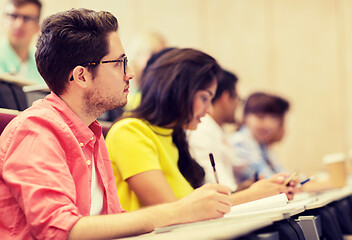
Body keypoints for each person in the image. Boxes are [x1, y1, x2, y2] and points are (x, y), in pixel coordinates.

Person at [0, 9, 233, 240]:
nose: (130, 74)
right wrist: (178, 211)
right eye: (120, 63)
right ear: (82, 76)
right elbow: (60, 230)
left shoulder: (92, 133)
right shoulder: (35, 131)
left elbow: (113, 219)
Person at [106, 50, 296, 212]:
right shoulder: (130, 131)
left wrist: (245, 191)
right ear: (180, 92)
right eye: (204, 98)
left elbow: (191, 205)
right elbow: (172, 212)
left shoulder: (173, 136)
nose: (209, 110)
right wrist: (253, 195)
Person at [229, 92, 290, 185]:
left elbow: (282, 173)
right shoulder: (239, 143)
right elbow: (270, 181)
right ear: (245, 117)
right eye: (260, 117)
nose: (268, 124)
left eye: (273, 118)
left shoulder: (261, 145)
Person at [0, 0, 44, 84]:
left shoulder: (43, 64)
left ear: (38, 27)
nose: (18, 24)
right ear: (3, 21)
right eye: (13, 16)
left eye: (27, 18)